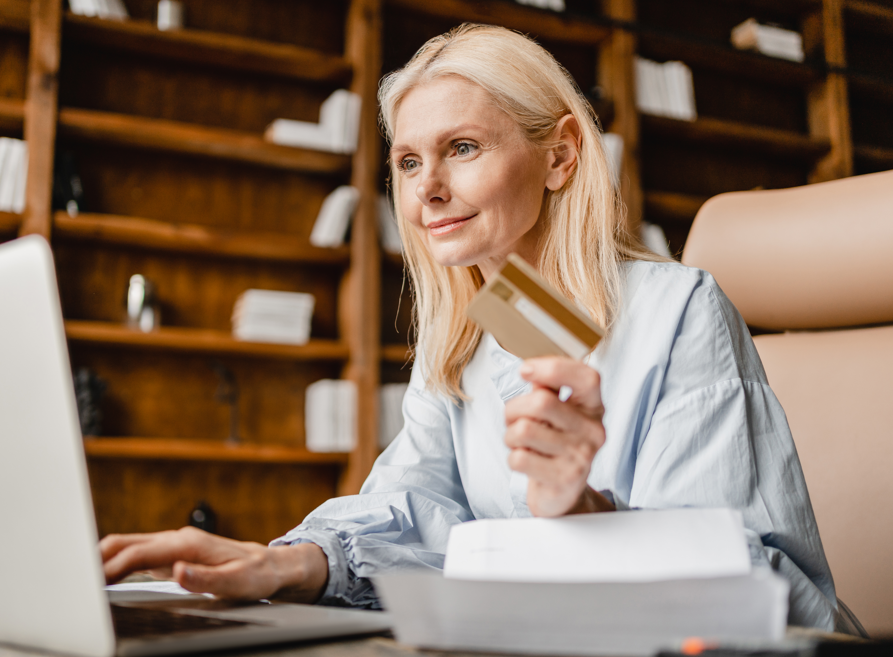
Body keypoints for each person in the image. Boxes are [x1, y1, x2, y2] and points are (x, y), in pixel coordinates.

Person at [101, 24, 853, 632]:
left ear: (559, 155)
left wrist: (582, 511)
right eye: (406, 160)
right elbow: (410, 505)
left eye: (461, 148)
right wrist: (294, 561)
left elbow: (745, 580)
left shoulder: (678, 309)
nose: (427, 189)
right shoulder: (465, 334)